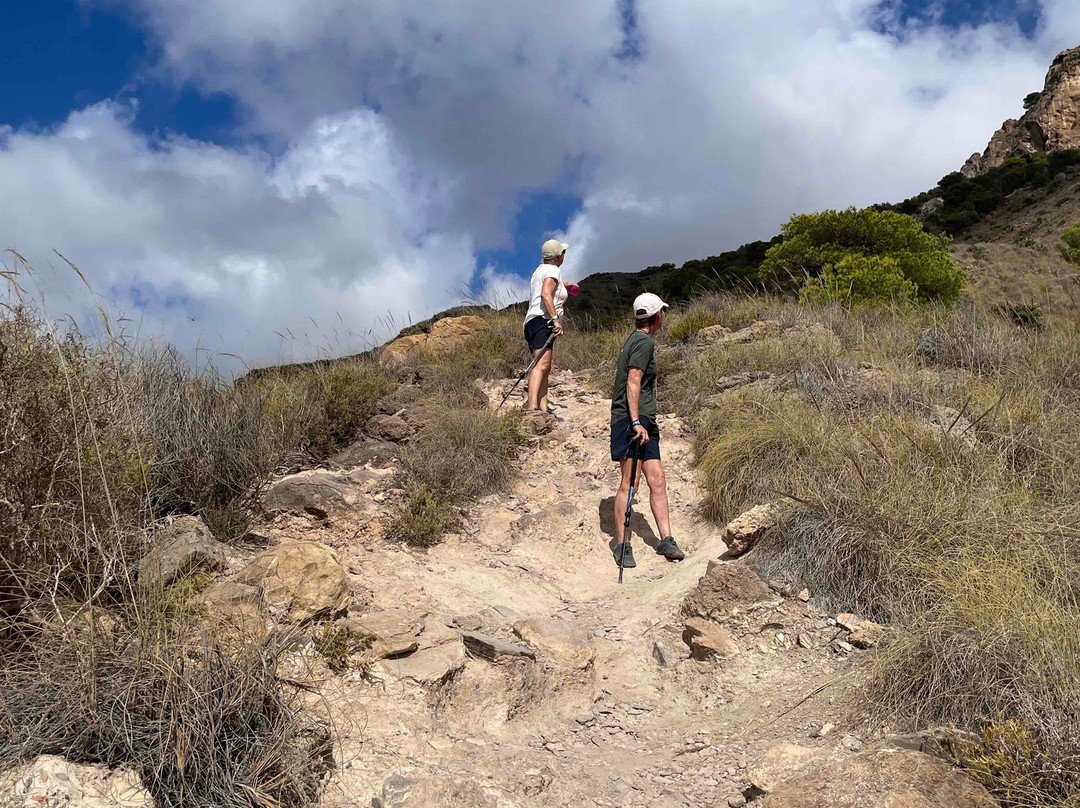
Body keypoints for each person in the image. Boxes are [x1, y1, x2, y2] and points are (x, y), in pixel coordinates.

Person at [610, 292, 685, 568]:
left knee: (657, 479)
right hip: (633, 420)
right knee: (631, 483)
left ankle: (666, 539)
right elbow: (633, 382)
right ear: (657, 316)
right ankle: (621, 543)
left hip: (644, 420)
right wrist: (636, 422)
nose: (664, 316)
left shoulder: (637, 339)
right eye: (662, 312)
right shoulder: (643, 342)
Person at [522, 239, 578, 412]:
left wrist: (564, 285)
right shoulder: (553, 270)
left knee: (544, 366)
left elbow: (549, 288)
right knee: (541, 365)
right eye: (563, 253)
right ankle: (532, 407)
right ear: (559, 256)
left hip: (533, 321)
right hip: (542, 320)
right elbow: (546, 294)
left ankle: (543, 408)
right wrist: (554, 318)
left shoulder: (541, 270)